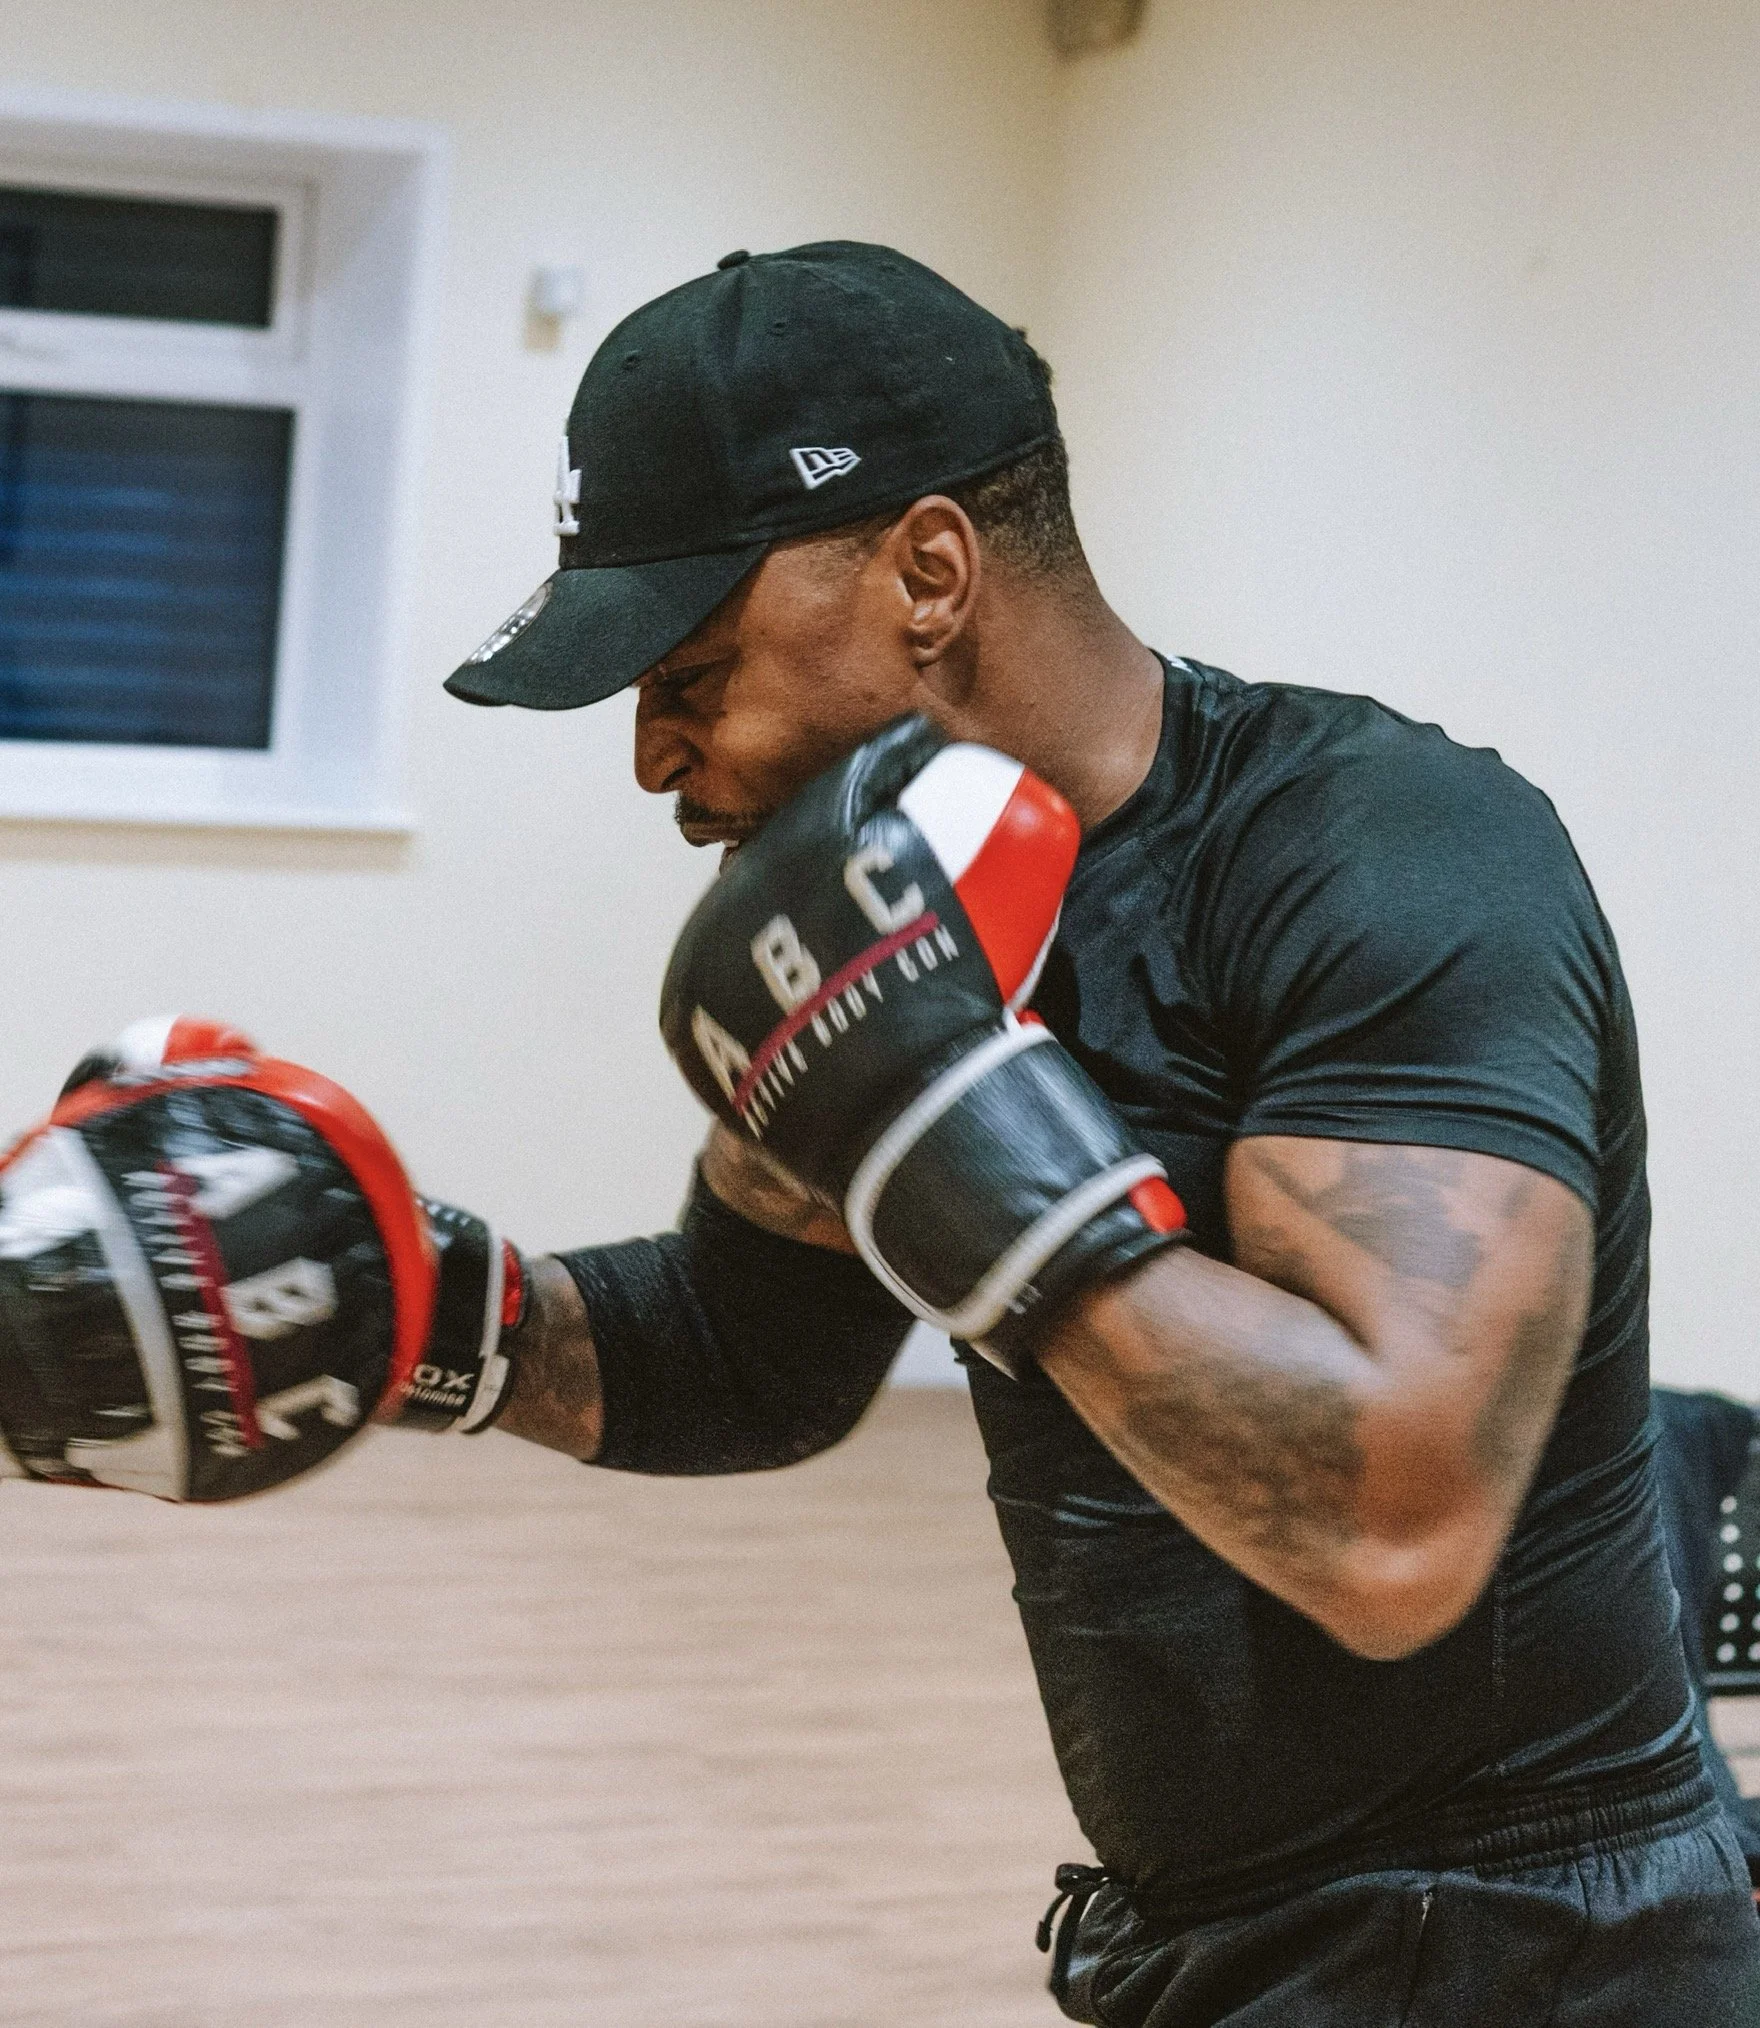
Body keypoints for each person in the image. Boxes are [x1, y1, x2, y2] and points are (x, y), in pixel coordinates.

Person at [4, 241, 1753, 2022]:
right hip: (1233, 1936)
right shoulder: (879, 910)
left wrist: (946, 1125)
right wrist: (431, 1314)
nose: (653, 753)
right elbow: (753, 1350)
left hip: (1537, 1948)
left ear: (929, 571)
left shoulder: (1384, 857)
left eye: (691, 668)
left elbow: (1394, 1525)